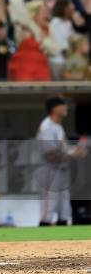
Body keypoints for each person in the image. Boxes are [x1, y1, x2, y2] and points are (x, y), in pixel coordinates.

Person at [36, 97, 87, 226]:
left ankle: (62, 241)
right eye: (62, 105)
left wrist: (76, 150)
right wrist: (73, 154)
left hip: (61, 169)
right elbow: (50, 155)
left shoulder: (58, 126)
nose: (65, 108)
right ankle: (41, 240)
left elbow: (64, 148)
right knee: (49, 205)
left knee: (64, 206)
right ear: (54, 108)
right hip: (49, 170)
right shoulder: (47, 126)